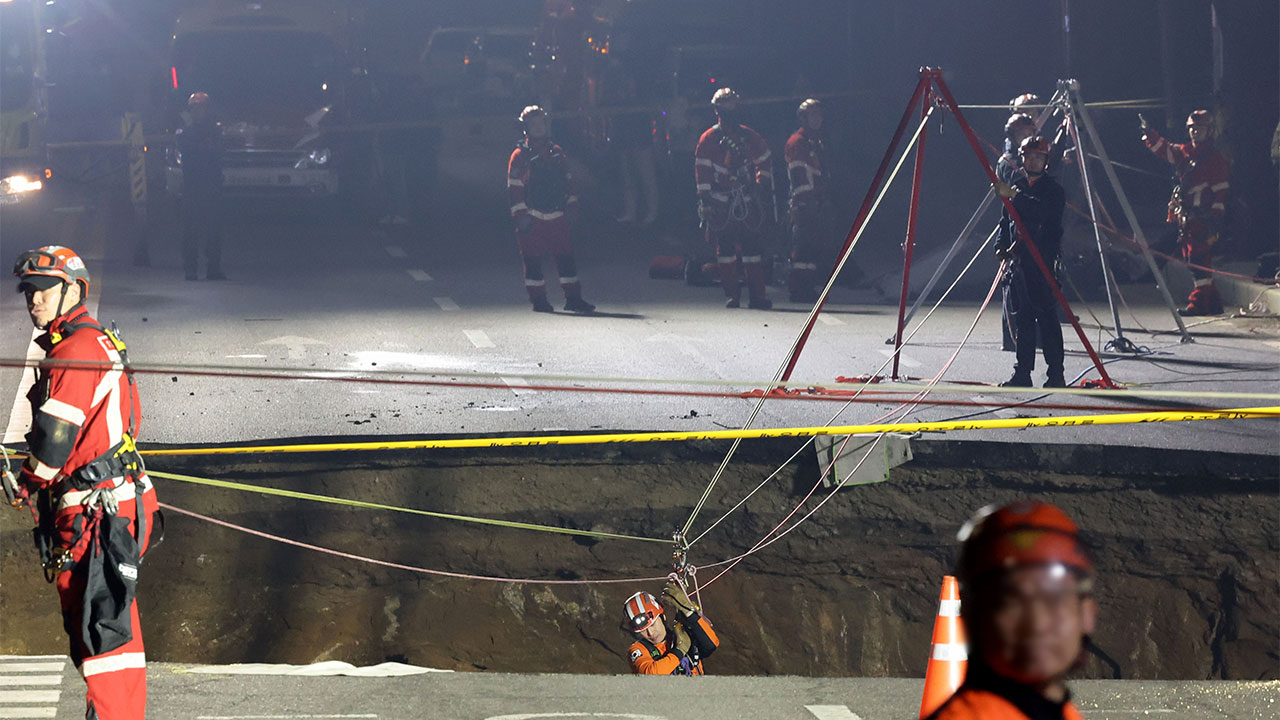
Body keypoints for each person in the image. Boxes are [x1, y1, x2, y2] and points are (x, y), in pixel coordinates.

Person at [10, 246, 161, 719]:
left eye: (42, 290)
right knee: (105, 627)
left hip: (97, 515)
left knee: (102, 634)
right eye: (28, 291)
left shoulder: (75, 351)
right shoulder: (92, 341)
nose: (33, 300)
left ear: (72, 290)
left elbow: (54, 446)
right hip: (116, 502)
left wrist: (27, 482)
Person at [926, 499, 1097, 720]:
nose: (1037, 623)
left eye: (1055, 600)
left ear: (1088, 614)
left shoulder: (1062, 714)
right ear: (971, 616)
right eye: (1011, 603)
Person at [508, 105, 596, 314]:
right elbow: (515, 187)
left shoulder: (556, 152)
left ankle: (573, 298)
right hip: (532, 217)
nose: (538, 127)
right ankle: (538, 300)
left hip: (557, 216)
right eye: (533, 124)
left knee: (566, 258)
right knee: (533, 262)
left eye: (541, 123)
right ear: (526, 128)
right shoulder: (520, 156)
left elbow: (568, 180)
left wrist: (572, 205)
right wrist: (521, 215)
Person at [994, 136, 1066, 388]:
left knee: (1047, 320)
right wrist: (1001, 245)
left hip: (1043, 262)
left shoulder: (1054, 191)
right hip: (1020, 262)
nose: (1034, 160)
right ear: (1023, 159)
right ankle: (1022, 373)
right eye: (1030, 156)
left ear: (1046, 161)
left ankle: (1056, 374)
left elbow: (1042, 212)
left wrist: (1014, 195)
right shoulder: (1018, 186)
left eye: (1039, 156)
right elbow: (1006, 221)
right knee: (1023, 321)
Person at [1142, 110, 1230, 316]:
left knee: (1198, 260)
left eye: (1199, 128)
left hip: (1203, 217)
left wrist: (1215, 222)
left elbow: (1221, 193)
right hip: (1187, 217)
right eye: (1192, 128)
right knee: (1196, 259)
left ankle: (1199, 304)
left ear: (1209, 131)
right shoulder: (1186, 152)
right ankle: (1212, 303)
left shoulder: (1215, 160)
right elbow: (1166, 150)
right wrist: (1150, 134)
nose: (1195, 132)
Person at [694, 87, 775, 309]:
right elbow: (702, 170)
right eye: (726, 106)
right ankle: (732, 295)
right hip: (721, 203)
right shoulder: (708, 139)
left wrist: (761, 184)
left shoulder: (749, 136)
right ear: (717, 110)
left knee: (752, 251)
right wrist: (706, 198)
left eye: (733, 105)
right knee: (726, 251)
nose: (731, 110)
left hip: (746, 201)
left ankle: (757, 296)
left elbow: (765, 159)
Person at [785, 98, 836, 303]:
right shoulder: (798, 142)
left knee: (814, 248)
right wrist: (808, 200)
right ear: (803, 118)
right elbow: (799, 175)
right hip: (805, 204)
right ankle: (798, 289)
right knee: (802, 250)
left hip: (817, 202)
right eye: (813, 115)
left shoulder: (816, 141)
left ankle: (808, 287)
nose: (818, 119)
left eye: (819, 115)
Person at [997, 113, 1038, 353]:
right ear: (1013, 136)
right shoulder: (1008, 161)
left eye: (1029, 133)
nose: (1027, 138)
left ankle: (1037, 336)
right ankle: (1012, 338)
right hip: (1015, 224)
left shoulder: (1031, 160)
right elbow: (1005, 191)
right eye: (1023, 134)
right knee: (1015, 285)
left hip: (1035, 225)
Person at [175, 91, 226, 281]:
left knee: (214, 229)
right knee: (190, 229)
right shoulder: (186, 132)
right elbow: (187, 152)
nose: (198, 112)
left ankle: (213, 268)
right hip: (193, 186)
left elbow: (219, 152)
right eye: (195, 109)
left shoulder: (215, 131)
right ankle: (191, 269)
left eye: (201, 109)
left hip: (211, 186)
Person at [623, 580, 720, 675]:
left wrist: (689, 613)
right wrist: (680, 650)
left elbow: (711, 645)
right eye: (643, 631)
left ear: (663, 617)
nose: (651, 633)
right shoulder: (637, 650)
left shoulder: (681, 635)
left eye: (652, 625)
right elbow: (651, 674)